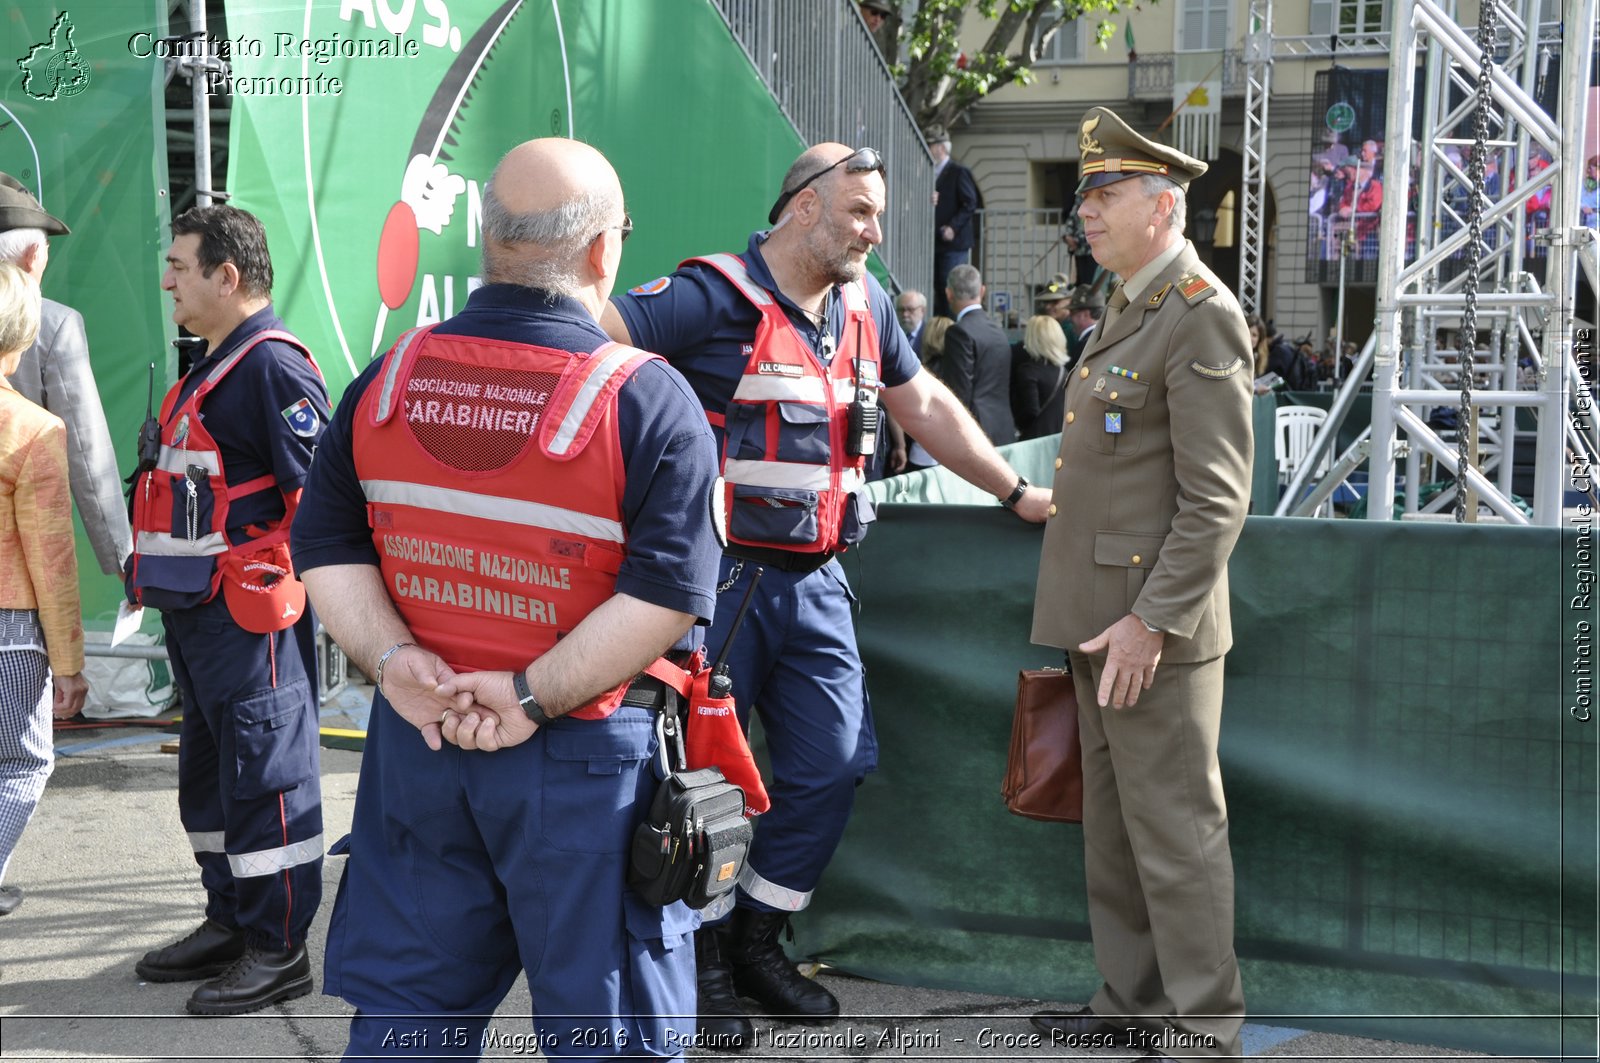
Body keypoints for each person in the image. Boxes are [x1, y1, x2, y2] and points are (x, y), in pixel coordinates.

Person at [603, 141, 1050, 1048]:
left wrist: (1012, 489)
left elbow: (921, 406)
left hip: (817, 583)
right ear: (801, 206)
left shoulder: (866, 304)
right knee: (697, 784)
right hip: (713, 587)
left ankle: (755, 935)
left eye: (878, 214)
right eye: (859, 212)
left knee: (833, 765)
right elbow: (593, 345)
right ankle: (700, 966)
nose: (875, 232)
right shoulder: (708, 295)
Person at [290, 138, 720, 1061]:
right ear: (604, 252)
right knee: (607, 1033)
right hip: (585, 763)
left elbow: (322, 543)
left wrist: (400, 666)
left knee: (410, 1023)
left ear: (487, 241)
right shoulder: (647, 399)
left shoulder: (390, 377)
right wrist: (527, 696)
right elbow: (667, 595)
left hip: (423, 738)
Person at [1030, 106, 1252, 1059]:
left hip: (1149, 631)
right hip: (1096, 618)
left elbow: (1216, 503)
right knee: (1115, 834)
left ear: (1163, 208)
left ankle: (1205, 1029)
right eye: (1085, 194)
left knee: (1177, 835)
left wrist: (1150, 622)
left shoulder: (1200, 313)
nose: (1086, 210)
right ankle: (1129, 1006)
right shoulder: (1129, 303)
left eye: (1105, 193)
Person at [127, 205, 330, 1016]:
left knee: (268, 782)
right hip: (198, 620)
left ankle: (279, 948)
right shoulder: (214, 367)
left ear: (228, 276)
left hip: (250, 623)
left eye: (180, 265)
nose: (169, 278)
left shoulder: (274, 369)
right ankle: (231, 919)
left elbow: (320, 503)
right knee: (211, 782)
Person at [0, 261, 87, 918]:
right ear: (23, 335)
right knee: (21, 766)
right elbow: (51, 559)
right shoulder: (33, 429)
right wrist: (70, 665)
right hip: (11, 629)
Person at [0, 174, 132, 577]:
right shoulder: (54, 325)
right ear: (32, 258)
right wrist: (124, 559)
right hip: (19, 559)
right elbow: (87, 452)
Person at [941, 264, 1015, 445]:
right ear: (982, 291)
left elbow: (959, 393)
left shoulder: (958, 332)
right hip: (1005, 428)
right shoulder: (998, 332)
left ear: (949, 294)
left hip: (975, 432)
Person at [925, 125, 980, 318]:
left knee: (952, 287)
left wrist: (953, 227)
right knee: (940, 287)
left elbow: (970, 203)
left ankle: (952, 326)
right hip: (937, 242)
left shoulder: (958, 171)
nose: (927, 148)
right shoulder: (930, 171)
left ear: (941, 147)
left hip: (953, 243)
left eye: (930, 145)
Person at [1010, 313, 1071, 440]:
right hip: (1060, 438)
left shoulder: (1028, 371)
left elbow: (1030, 411)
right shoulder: (1064, 371)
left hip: (1035, 441)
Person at [1064, 284, 1105, 367]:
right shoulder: (1103, 335)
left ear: (1086, 314)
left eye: (1072, 312)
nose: (1069, 318)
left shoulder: (1086, 345)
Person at [896, 288, 927, 356]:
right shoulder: (893, 335)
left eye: (910, 309)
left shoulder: (930, 337)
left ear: (922, 311)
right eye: (901, 310)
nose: (905, 314)